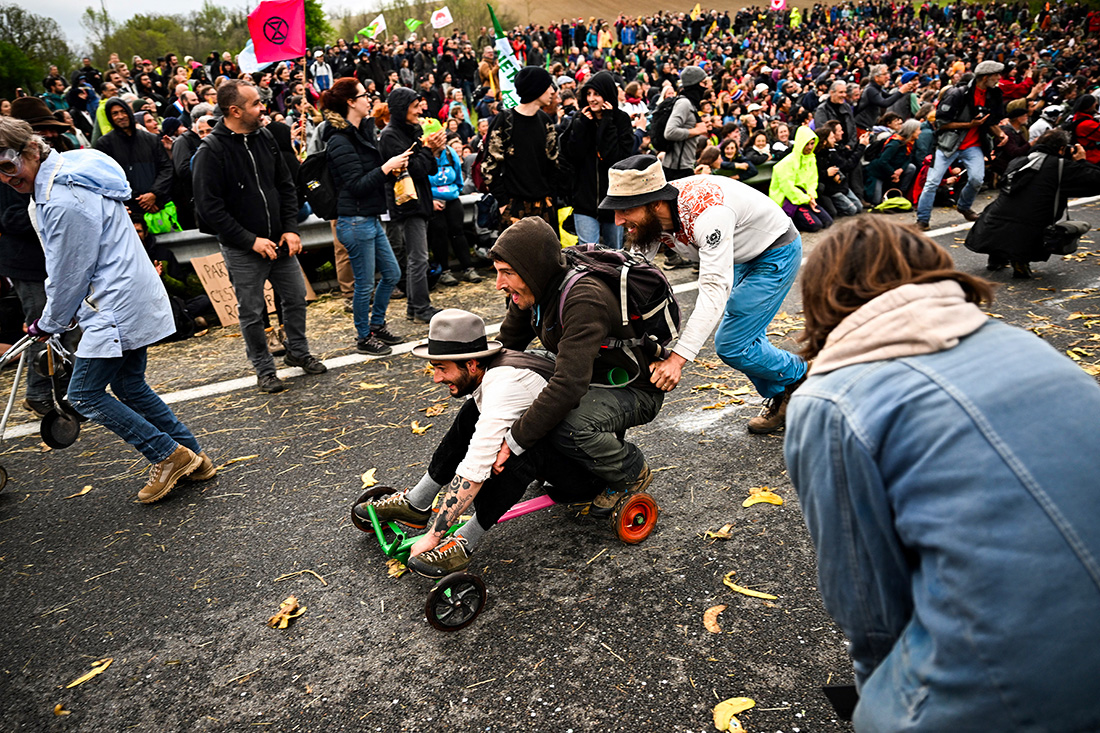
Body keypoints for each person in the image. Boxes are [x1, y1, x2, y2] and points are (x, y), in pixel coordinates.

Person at [785, 216, 1100, 732]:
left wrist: (879, 703)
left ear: (822, 297)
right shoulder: (1023, 344)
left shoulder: (829, 400)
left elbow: (869, 609)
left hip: (1021, 695)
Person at [0, 116, 214, 502]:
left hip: (113, 301)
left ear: (31, 150)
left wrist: (49, 322)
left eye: (8, 166)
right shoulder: (70, 171)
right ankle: (194, 456)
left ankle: (167, 454)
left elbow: (69, 271)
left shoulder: (64, 200)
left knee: (83, 396)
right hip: (123, 292)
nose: (6, 177)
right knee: (130, 384)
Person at [353, 309, 605, 576]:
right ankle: (418, 501)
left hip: (584, 474)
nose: (436, 378)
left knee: (519, 453)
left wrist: (433, 537)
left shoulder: (504, 388)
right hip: (561, 452)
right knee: (471, 414)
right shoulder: (490, 370)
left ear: (471, 364)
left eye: (441, 368)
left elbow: (474, 469)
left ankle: (466, 540)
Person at [602, 155, 806, 434]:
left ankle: (800, 373)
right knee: (747, 335)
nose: (617, 220)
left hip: (775, 251)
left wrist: (677, 359)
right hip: (741, 255)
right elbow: (635, 271)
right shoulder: (652, 214)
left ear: (655, 203)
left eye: (624, 210)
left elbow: (713, 291)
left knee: (733, 345)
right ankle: (783, 395)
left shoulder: (708, 214)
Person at [489, 217, 663, 516]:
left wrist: (514, 441)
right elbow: (507, 349)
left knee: (567, 426)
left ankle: (629, 471)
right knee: (520, 377)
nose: (499, 285)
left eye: (507, 273)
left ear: (532, 268)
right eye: (497, 272)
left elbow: (568, 386)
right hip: (589, 375)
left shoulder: (583, 297)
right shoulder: (531, 290)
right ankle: (569, 464)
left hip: (632, 386)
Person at [192, 80, 328, 393]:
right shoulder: (211, 151)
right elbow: (210, 210)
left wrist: (290, 228)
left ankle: (297, 351)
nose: (262, 108)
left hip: (278, 240)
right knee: (252, 311)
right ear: (235, 110)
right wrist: (250, 240)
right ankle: (264, 369)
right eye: (255, 104)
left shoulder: (265, 138)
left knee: (295, 298)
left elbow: (286, 186)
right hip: (243, 249)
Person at [321, 78, 411, 355]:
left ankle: (377, 325)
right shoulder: (339, 139)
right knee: (364, 284)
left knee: (392, 273)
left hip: (369, 217)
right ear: (350, 102)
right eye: (364, 95)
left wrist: (390, 169)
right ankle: (363, 336)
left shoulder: (362, 131)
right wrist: (386, 167)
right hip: (354, 220)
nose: (369, 98)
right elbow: (356, 184)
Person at [966, 130, 1100, 278]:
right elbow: (1095, 180)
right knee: (1034, 214)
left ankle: (997, 256)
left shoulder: (1017, 161)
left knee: (1008, 207)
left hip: (990, 224)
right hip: (1030, 229)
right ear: (1061, 149)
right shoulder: (1060, 166)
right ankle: (1020, 259)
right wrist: (1081, 162)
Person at [378, 86, 446, 324]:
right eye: (415, 106)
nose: (420, 111)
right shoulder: (389, 136)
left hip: (422, 197)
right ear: (401, 108)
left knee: (417, 256)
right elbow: (413, 168)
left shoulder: (415, 129)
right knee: (418, 257)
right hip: (407, 202)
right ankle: (421, 307)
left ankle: (413, 306)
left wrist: (435, 149)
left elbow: (429, 169)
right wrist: (428, 150)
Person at [915, 61, 1006, 230]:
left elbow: (990, 121)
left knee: (977, 179)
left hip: (974, 145)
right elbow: (941, 123)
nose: (999, 79)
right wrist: (969, 125)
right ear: (985, 77)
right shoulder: (957, 94)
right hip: (948, 145)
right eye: (996, 76)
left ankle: (964, 207)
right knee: (932, 182)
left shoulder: (993, 95)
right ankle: (922, 220)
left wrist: (1000, 134)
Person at [481, 66, 561, 229]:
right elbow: (489, 165)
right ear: (536, 89)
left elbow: (554, 163)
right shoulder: (505, 121)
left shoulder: (545, 121)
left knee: (546, 254)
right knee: (514, 255)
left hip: (544, 205)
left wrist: (551, 198)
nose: (552, 91)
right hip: (514, 208)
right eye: (548, 85)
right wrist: (503, 202)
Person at [562, 70, 633, 249]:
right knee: (588, 251)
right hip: (584, 200)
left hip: (613, 201)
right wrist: (582, 127)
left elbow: (615, 158)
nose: (592, 99)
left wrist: (607, 123)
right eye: (589, 94)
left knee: (614, 250)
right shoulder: (579, 119)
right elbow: (572, 155)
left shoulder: (620, 120)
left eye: (597, 94)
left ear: (608, 95)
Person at [93, 98, 174, 217]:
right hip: (129, 210)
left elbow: (166, 168)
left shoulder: (151, 139)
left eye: (123, 111)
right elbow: (109, 177)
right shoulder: (105, 144)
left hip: (159, 204)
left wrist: (154, 194)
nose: (120, 116)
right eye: (115, 113)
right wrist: (141, 200)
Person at [426, 133, 481, 285]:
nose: (443, 142)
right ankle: (444, 271)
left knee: (458, 232)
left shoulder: (450, 153)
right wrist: (431, 199)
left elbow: (458, 176)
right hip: (434, 201)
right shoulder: (425, 156)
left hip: (452, 199)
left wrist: (454, 192)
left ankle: (468, 268)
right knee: (439, 234)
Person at [769, 125, 833, 232]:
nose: (809, 147)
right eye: (806, 144)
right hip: (788, 201)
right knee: (815, 225)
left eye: (812, 143)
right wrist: (808, 199)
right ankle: (789, 220)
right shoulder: (787, 163)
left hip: (804, 199)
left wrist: (811, 197)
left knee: (828, 222)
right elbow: (788, 189)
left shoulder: (811, 158)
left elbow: (813, 181)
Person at [661, 66, 711, 180]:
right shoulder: (684, 103)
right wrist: (697, 130)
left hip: (684, 166)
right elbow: (670, 132)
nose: (706, 87)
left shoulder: (690, 103)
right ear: (695, 84)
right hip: (676, 169)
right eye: (703, 83)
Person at [864, 118, 920, 205]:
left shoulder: (909, 143)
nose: (920, 132)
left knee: (911, 167)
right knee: (876, 200)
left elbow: (908, 158)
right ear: (911, 131)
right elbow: (882, 161)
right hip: (879, 172)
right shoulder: (895, 143)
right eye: (918, 130)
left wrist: (901, 169)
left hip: (894, 170)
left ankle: (900, 193)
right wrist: (893, 174)